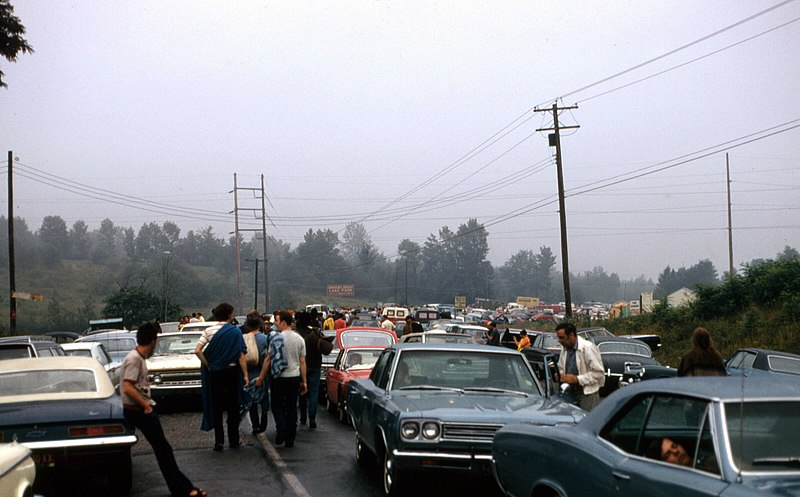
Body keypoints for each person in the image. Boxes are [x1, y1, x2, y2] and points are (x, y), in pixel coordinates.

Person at [120, 322, 207, 497]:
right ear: (153, 341)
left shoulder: (137, 358)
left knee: (160, 450)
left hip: (135, 409)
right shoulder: (134, 359)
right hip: (138, 410)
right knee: (163, 450)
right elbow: (128, 386)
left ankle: (183, 488)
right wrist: (146, 406)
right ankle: (185, 490)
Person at [196, 302, 248, 451]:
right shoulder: (235, 332)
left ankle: (219, 442)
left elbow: (197, 350)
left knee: (217, 406)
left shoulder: (208, 331)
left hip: (215, 373)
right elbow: (241, 355)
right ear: (230, 315)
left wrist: (208, 365)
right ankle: (234, 440)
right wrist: (245, 375)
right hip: (231, 372)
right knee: (233, 406)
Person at [257, 310, 307, 448]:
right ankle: (290, 439)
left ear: (284, 322)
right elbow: (302, 362)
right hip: (294, 377)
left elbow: (268, 359)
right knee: (291, 407)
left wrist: (261, 377)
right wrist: (304, 381)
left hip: (278, 377)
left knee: (277, 404)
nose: (275, 324)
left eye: (277, 322)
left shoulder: (275, 339)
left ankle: (281, 426)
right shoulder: (299, 339)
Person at [555, 322, 605, 411]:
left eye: (561, 337)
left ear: (571, 335)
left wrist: (577, 379)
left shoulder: (588, 347)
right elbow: (561, 367)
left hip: (587, 395)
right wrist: (560, 375)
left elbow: (599, 373)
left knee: (586, 421)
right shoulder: (565, 349)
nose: (559, 341)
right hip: (569, 394)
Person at [241, 310, 269, 435]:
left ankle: (255, 425)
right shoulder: (265, 338)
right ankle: (264, 417)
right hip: (262, 372)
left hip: (248, 372)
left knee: (251, 400)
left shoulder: (243, 338)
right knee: (263, 396)